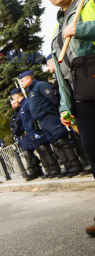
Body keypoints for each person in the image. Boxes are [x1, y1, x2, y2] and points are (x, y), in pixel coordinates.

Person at [49, 0, 95, 236]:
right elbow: (61, 72)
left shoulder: (88, 5)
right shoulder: (56, 32)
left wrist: (83, 29)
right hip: (82, 93)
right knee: (93, 151)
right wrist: (65, 107)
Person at [18, 70, 83, 177]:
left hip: (50, 117)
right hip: (43, 120)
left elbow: (53, 99)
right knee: (56, 143)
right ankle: (67, 167)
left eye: (22, 80)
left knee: (62, 141)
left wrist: (54, 112)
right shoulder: (32, 91)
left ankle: (75, 165)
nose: (21, 83)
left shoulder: (40, 85)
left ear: (29, 79)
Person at [10, 89, 50, 180]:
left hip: (31, 132)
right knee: (30, 153)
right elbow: (13, 127)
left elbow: (32, 118)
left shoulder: (26, 104)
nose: (13, 104)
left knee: (42, 149)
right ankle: (39, 170)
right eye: (12, 104)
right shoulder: (16, 113)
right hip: (25, 135)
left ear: (16, 97)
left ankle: (49, 169)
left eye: (14, 102)